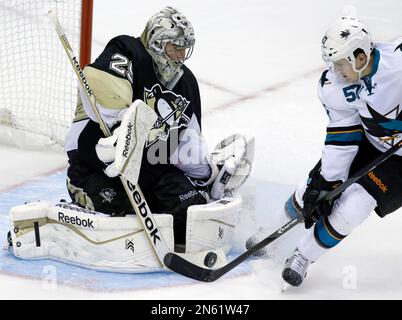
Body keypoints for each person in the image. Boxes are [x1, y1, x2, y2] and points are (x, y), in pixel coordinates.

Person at [64, 6, 241, 248]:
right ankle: (73, 208)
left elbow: (186, 143)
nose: (180, 55)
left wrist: (208, 175)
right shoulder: (128, 51)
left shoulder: (185, 83)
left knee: (191, 216)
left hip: (154, 174)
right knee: (121, 219)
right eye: (175, 47)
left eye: (184, 48)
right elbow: (102, 84)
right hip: (98, 169)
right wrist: (119, 130)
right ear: (157, 42)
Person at [248, 16, 402, 287]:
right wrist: (327, 181)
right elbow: (343, 135)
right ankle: (270, 232)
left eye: (341, 63)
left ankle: (303, 256)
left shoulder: (397, 62)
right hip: (370, 140)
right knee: (310, 190)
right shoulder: (334, 86)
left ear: (360, 56)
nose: (337, 69)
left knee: (355, 206)